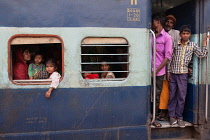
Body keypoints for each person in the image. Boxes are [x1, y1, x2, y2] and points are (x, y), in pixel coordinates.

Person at [167, 25, 209, 128]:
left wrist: (205, 44)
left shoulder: (193, 45)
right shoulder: (175, 44)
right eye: (183, 33)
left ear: (189, 35)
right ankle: (171, 116)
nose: (185, 35)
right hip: (173, 73)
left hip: (183, 75)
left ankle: (179, 117)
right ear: (180, 34)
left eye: (187, 34)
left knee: (181, 96)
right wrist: (168, 72)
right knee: (172, 95)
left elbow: (202, 55)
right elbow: (170, 58)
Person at [151, 13, 173, 127]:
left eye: (153, 21)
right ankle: (148, 116)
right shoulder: (151, 35)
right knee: (147, 94)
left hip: (158, 72)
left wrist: (156, 70)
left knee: (156, 95)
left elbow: (167, 57)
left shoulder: (167, 38)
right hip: (148, 70)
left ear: (158, 22)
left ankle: (153, 117)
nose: (151, 23)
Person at [158, 15, 181, 121]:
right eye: (167, 22)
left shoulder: (176, 34)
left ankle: (166, 112)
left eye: (171, 22)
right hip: (160, 66)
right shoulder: (159, 33)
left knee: (168, 91)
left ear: (174, 25)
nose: (168, 24)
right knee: (162, 90)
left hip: (172, 67)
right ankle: (161, 111)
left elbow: (179, 51)